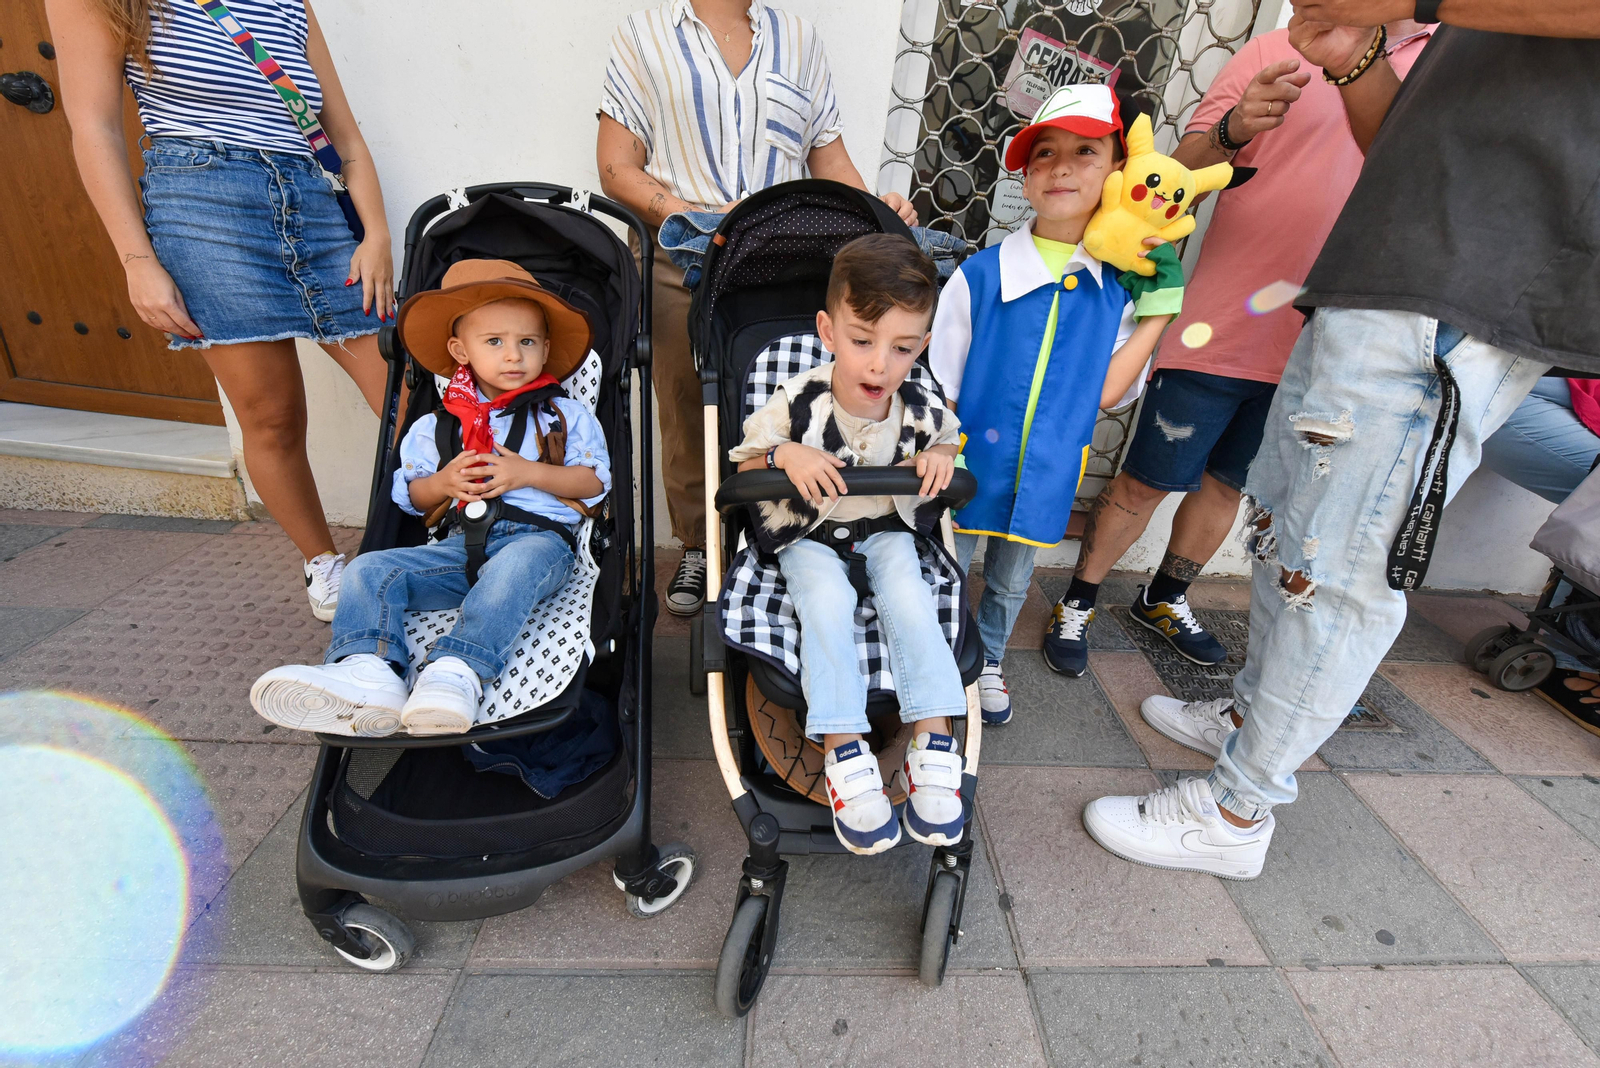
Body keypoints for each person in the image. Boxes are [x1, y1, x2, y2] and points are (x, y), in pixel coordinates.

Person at [1083, 0, 1600, 880]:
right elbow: (1406, 156)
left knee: (1345, 567)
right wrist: (1358, 59)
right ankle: (1250, 719)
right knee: (1293, 530)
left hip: (1458, 295)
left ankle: (1237, 812)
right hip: (1387, 274)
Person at [1044, 19, 1433, 677]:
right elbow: (1171, 175)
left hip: (1328, 342)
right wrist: (1233, 132)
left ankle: (1164, 597)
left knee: (1229, 485)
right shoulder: (1282, 46)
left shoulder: (1440, 59)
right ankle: (1077, 601)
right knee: (1145, 481)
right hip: (1222, 325)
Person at [48, 0, 397, 620]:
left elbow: (340, 131)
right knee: (270, 416)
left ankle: (449, 537)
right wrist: (137, 262)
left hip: (316, 202)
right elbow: (93, 126)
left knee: (406, 396)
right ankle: (324, 566)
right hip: (202, 210)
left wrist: (376, 236)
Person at [596, 0, 919, 620]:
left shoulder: (796, 38)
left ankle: (784, 530)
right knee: (692, 408)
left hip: (785, 257)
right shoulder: (645, 32)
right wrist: (693, 216)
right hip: (687, 254)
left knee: (788, 390)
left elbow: (829, 162)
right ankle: (700, 543)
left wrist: (877, 213)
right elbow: (617, 165)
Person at [250, 260, 611, 738]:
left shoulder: (562, 416)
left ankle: (457, 670)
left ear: (545, 349)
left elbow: (594, 484)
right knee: (369, 569)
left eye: (527, 342)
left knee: (515, 564)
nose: (513, 356)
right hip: (459, 549)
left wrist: (529, 472)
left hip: (540, 545)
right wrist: (442, 484)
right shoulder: (436, 427)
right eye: (494, 342)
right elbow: (413, 499)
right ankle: (369, 670)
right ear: (460, 351)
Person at [929, 84, 1182, 725]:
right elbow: (943, 379)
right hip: (962, 464)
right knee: (946, 567)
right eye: (1045, 153)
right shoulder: (981, 274)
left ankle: (986, 661)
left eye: (1085, 152)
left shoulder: (1113, 293)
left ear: (1117, 173)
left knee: (1013, 580)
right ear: (1025, 173)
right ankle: (936, 659)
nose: (1062, 166)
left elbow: (1108, 391)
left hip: (1047, 468)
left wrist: (1158, 312)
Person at [728, 234, 967, 855]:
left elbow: (948, 438)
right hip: (808, 532)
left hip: (885, 528)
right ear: (828, 331)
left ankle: (933, 739)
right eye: (863, 341)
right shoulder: (798, 396)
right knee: (826, 603)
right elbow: (745, 467)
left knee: (911, 596)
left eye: (903, 348)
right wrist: (787, 453)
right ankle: (842, 748)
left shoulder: (917, 400)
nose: (880, 365)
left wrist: (940, 455)